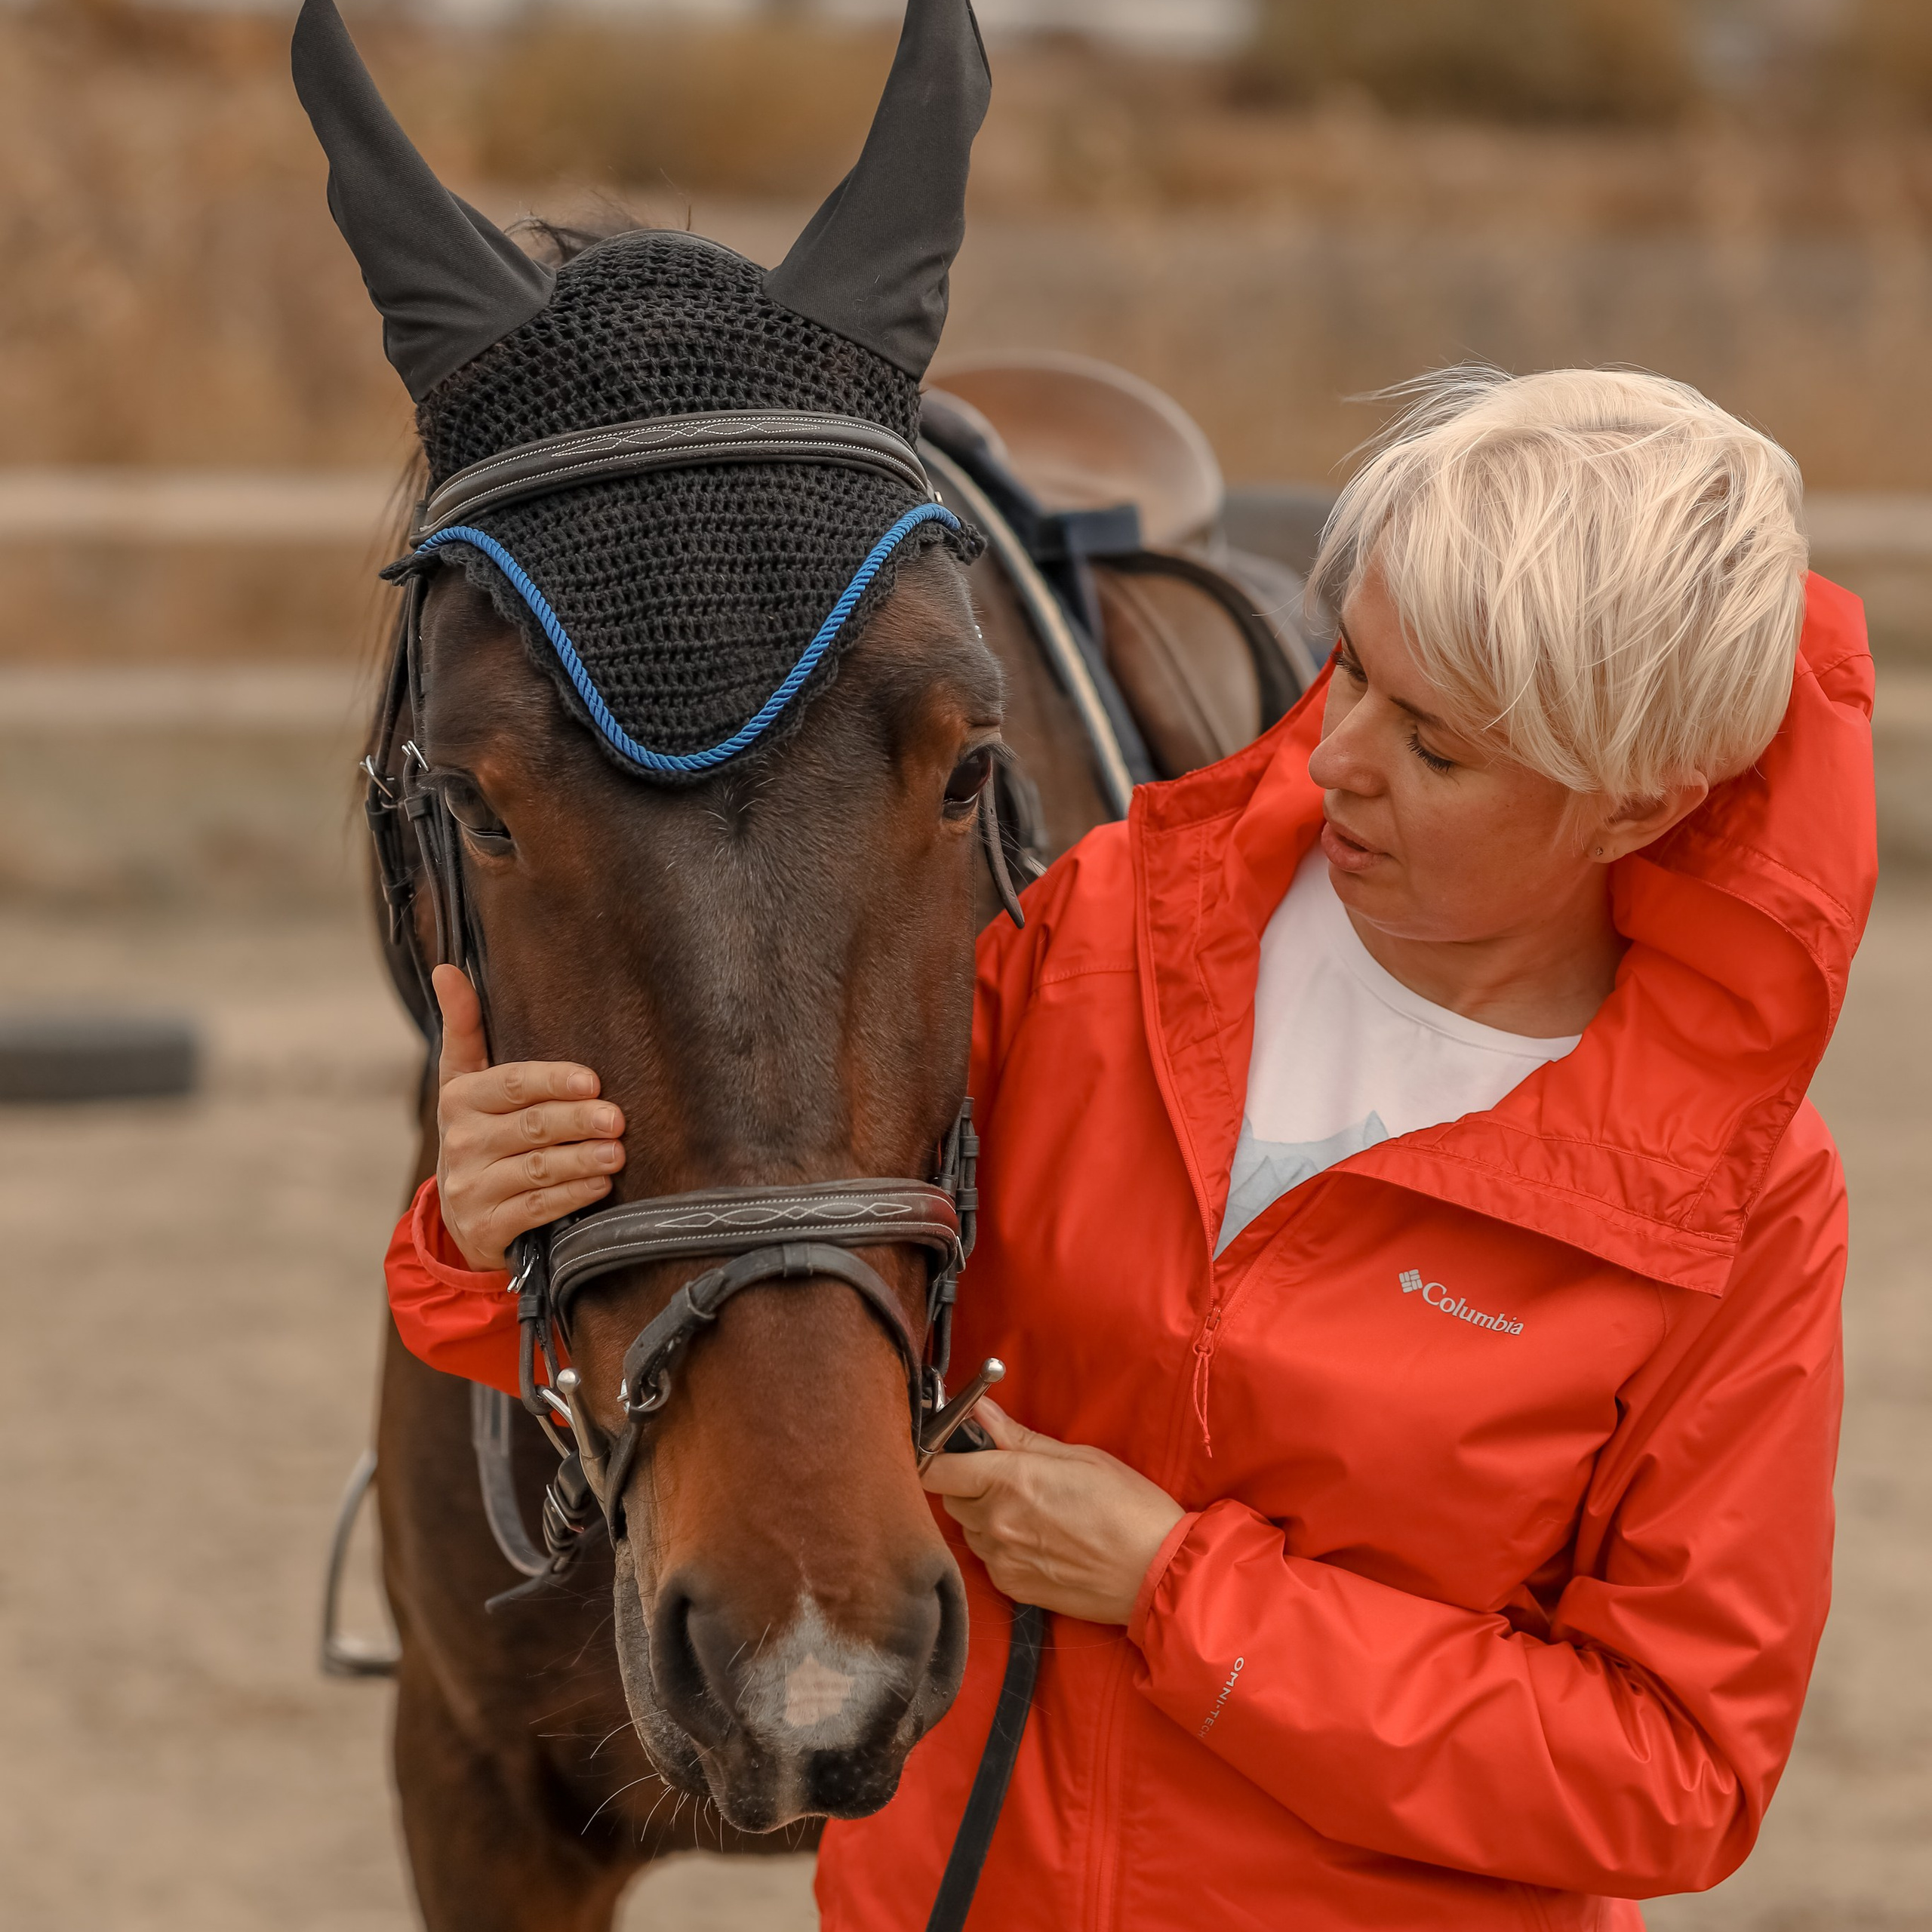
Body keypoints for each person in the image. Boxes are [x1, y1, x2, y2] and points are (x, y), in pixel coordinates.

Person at [386, 366, 1875, 1927]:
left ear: (1631, 809)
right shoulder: (1101, 934)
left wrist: (1182, 1589)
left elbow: (1672, 1773)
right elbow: (791, 1294)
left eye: (1433, 747)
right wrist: (496, 1242)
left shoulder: (1733, 1204)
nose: (1337, 757)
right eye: (1346, 669)